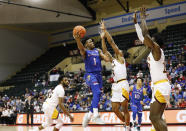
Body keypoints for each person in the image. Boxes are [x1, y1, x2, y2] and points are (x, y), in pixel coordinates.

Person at [133, 7, 171, 131]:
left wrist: (143, 19)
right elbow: (142, 37)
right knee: (156, 118)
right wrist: (136, 24)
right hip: (158, 86)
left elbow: (145, 35)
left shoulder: (157, 50)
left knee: (154, 117)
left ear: (155, 42)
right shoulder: (153, 51)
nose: (147, 42)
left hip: (161, 86)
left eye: (151, 41)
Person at [73, 27, 110, 127]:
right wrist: (77, 40)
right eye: (90, 41)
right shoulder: (85, 52)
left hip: (99, 75)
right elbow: (80, 48)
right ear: (86, 44)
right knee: (97, 92)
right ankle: (95, 116)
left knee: (97, 96)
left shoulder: (97, 51)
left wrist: (103, 39)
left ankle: (88, 116)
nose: (92, 42)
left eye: (92, 41)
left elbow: (106, 58)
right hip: (90, 75)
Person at [100, 20, 131, 131]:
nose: (119, 51)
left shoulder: (121, 59)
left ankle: (127, 127)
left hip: (123, 84)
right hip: (115, 86)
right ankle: (128, 123)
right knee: (115, 109)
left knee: (124, 108)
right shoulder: (113, 61)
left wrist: (105, 30)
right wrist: (102, 38)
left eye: (120, 51)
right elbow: (104, 50)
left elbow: (112, 42)